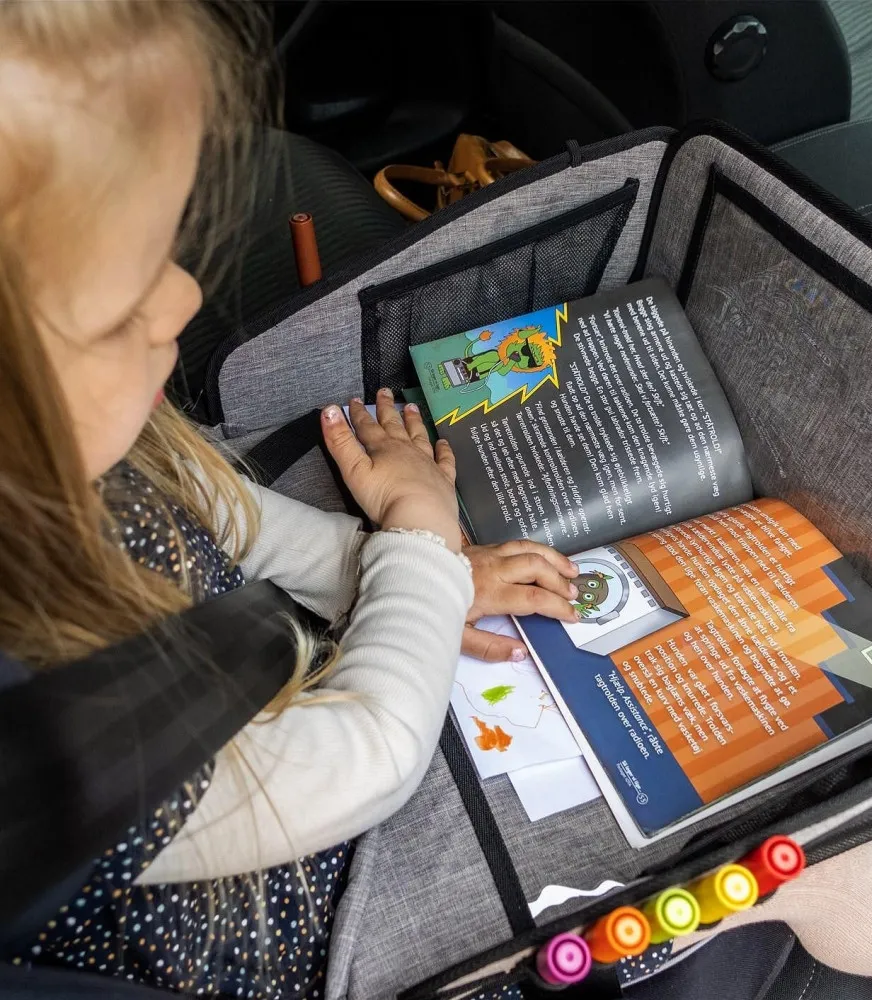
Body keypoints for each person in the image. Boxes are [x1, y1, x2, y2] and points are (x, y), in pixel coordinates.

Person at [0, 3, 579, 997]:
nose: (185, 298)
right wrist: (419, 534)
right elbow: (367, 757)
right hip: (322, 925)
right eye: (122, 304)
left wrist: (410, 571)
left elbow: (232, 514)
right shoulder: (40, 752)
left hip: (307, 702)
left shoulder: (87, 452)